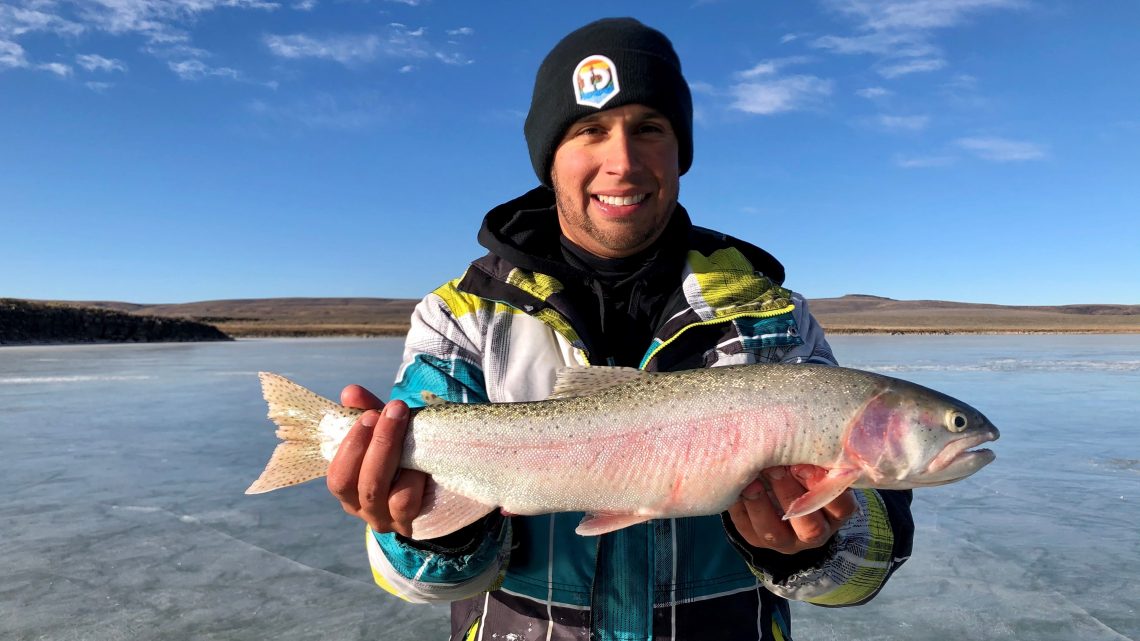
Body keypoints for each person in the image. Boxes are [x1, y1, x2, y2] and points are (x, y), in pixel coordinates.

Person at [328, 17, 913, 641]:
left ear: (680, 152)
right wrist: (438, 530)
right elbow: (420, 582)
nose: (624, 161)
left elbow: (868, 567)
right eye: (590, 130)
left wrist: (804, 552)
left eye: (649, 130)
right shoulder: (461, 319)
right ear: (549, 158)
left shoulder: (775, 320)